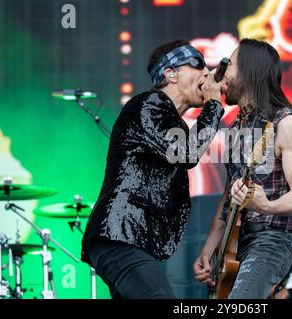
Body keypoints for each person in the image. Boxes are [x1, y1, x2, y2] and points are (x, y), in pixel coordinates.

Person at [81, 39, 225, 299]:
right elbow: (187, 152)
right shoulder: (149, 104)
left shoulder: (170, 120)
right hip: (121, 236)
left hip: (129, 239)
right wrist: (214, 105)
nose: (206, 72)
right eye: (197, 64)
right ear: (170, 73)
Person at [193, 38, 292, 299]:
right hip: (235, 245)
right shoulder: (236, 128)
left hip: (270, 242)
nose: (223, 74)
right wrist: (209, 249)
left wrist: (265, 205)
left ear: (248, 72)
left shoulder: (286, 123)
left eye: (230, 65)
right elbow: (229, 198)